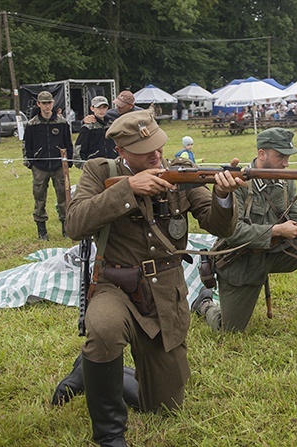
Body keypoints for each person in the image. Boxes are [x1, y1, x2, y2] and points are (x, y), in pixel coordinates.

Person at [52, 109, 242, 446]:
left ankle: (88, 370)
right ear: (122, 152)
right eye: (146, 152)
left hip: (165, 295)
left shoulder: (180, 173)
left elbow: (217, 225)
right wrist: (128, 189)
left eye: (158, 147)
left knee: (165, 405)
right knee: (104, 328)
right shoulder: (100, 172)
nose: (157, 155)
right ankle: (109, 434)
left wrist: (224, 194)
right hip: (116, 285)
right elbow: (74, 224)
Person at [190, 127, 297, 340]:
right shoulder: (238, 184)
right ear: (262, 154)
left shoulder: (285, 182)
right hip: (240, 261)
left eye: (288, 157)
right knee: (229, 329)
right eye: (280, 156)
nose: (286, 163)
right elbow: (232, 232)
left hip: (274, 253)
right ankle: (206, 304)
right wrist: (275, 230)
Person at [23, 91, 73, 240]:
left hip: (59, 166)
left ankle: (66, 227)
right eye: (44, 103)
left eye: (49, 103)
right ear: (38, 104)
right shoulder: (32, 124)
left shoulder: (62, 122)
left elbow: (68, 143)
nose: (47, 106)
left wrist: (68, 161)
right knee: (39, 198)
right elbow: (27, 145)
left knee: (63, 197)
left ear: (53, 103)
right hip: (40, 166)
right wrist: (30, 163)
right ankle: (41, 229)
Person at [73, 95, 117, 167]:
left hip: (112, 163)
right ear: (92, 108)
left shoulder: (112, 124)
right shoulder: (87, 127)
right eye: (98, 107)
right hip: (94, 165)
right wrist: (83, 165)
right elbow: (79, 148)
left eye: (104, 107)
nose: (101, 110)